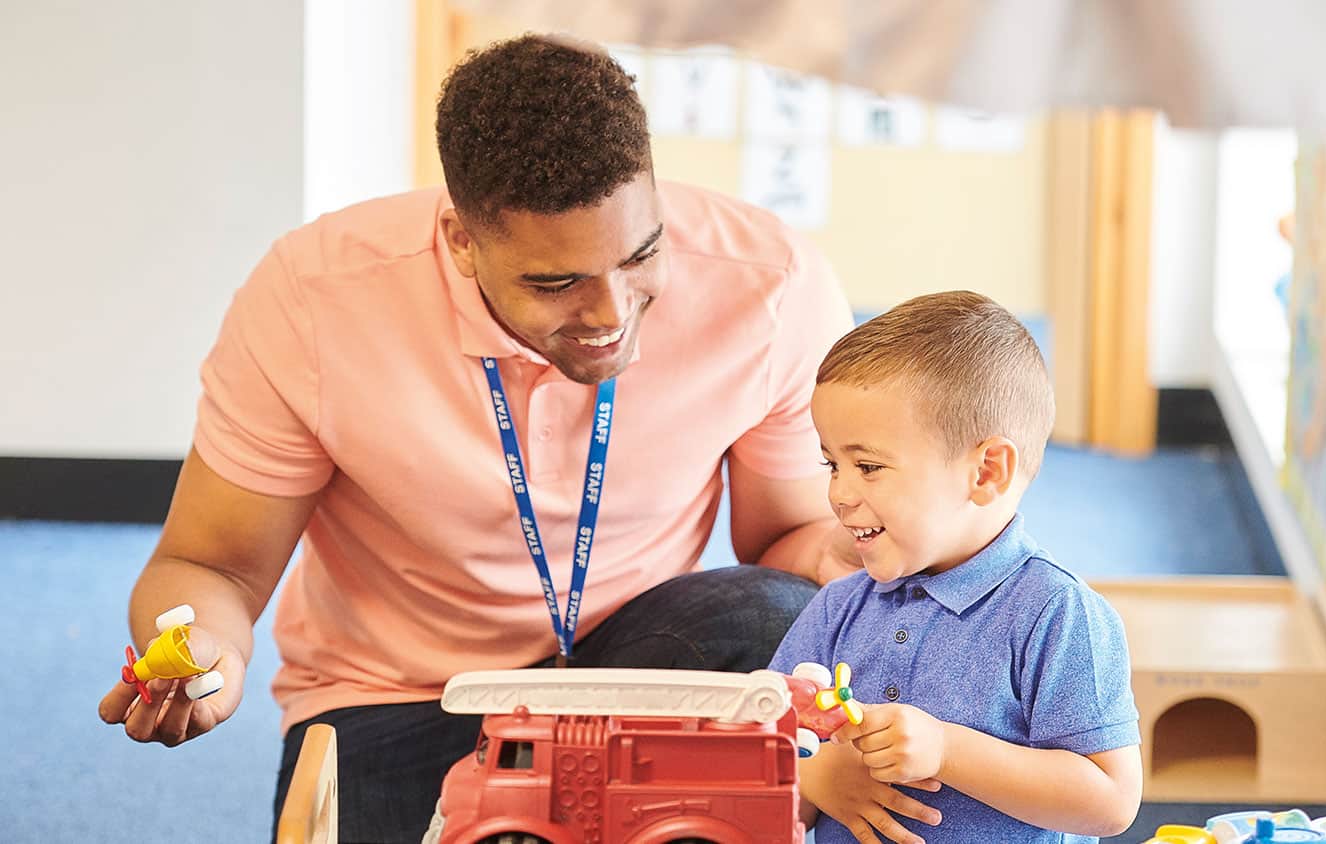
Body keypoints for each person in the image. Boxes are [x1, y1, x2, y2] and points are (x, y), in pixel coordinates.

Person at [97, 34, 858, 842]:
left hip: (638, 657)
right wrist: (197, 656)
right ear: (461, 239)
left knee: (786, 618)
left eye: (641, 254)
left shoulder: (771, 286)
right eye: (555, 282)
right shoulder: (312, 298)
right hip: (402, 692)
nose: (611, 313)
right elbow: (209, 564)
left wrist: (851, 557)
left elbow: (785, 537)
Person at [770, 291, 1143, 844]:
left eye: (867, 466)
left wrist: (946, 750)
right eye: (832, 464)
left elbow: (1110, 801)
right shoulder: (836, 609)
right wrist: (814, 775)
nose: (838, 494)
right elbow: (762, 748)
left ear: (986, 471)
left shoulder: (1057, 614)